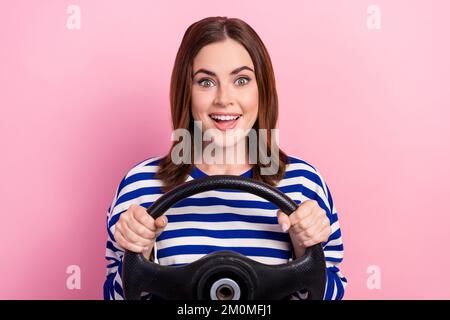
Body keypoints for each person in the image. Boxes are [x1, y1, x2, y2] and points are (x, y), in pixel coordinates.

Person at [103, 16, 347, 300]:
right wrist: (138, 253)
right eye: (206, 82)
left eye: (241, 80)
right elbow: (115, 296)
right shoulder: (140, 186)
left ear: (262, 89)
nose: (224, 98)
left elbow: (331, 293)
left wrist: (304, 250)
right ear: (186, 91)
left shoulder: (304, 184)